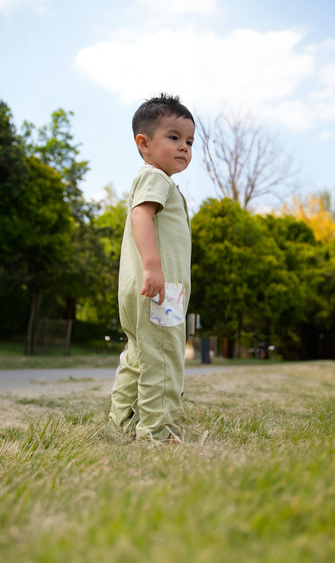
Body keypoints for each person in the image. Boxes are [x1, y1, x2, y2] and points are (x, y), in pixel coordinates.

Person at [108, 93, 194, 442]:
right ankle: (156, 431)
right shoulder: (156, 178)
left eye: (189, 141)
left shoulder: (154, 179)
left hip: (140, 289)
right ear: (144, 143)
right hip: (161, 289)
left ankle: (121, 424)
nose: (184, 147)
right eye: (173, 137)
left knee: (140, 355)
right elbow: (140, 214)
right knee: (163, 355)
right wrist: (153, 267)